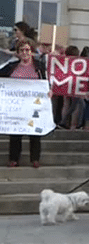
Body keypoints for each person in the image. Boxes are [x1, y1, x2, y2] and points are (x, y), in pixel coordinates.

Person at [0, 39, 46, 168]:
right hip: (17, 106)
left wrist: (49, 92)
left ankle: (35, 159)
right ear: (18, 53)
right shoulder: (11, 67)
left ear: (31, 52)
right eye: (22, 50)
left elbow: (47, 82)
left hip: (34, 105)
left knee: (35, 133)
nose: (25, 52)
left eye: (27, 50)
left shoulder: (39, 67)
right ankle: (14, 159)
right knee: (15, 132)